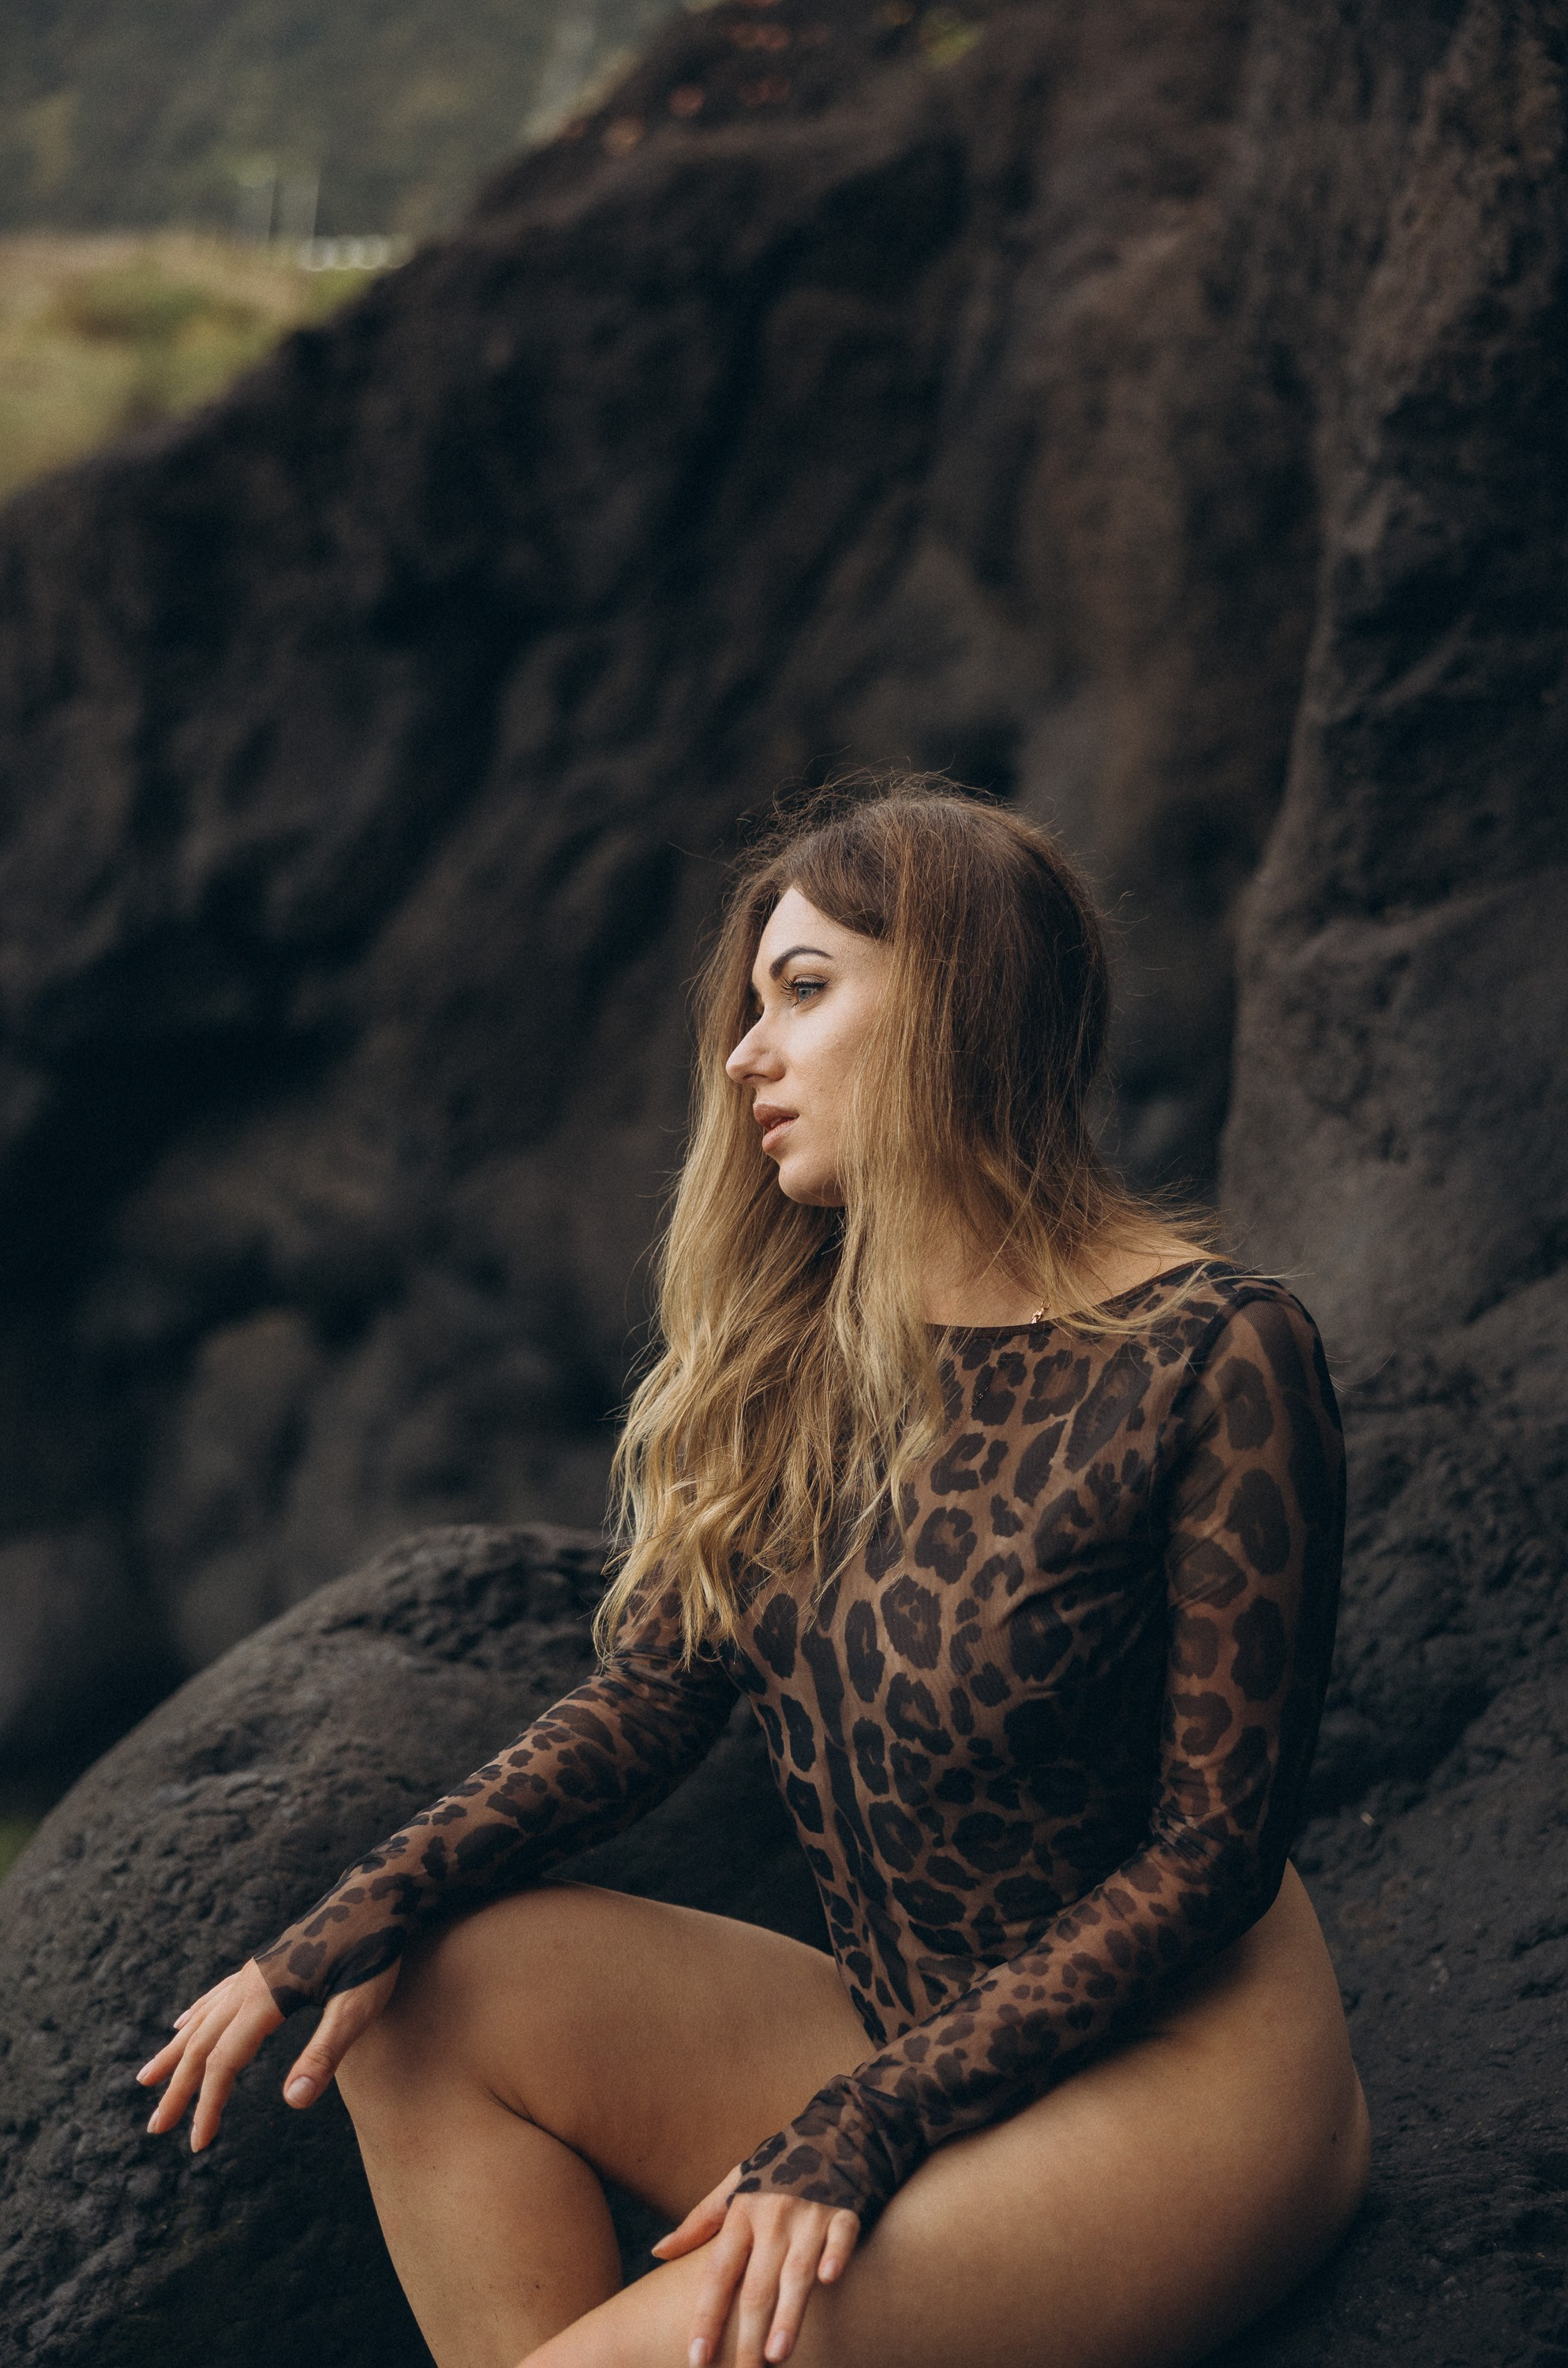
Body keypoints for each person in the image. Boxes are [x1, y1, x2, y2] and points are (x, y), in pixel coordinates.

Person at [138, 781, 1369, 2368]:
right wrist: (353, 1914)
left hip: (1181, 2071)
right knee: (418, 2000)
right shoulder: (810, 1358)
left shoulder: (1214, 1352)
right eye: (748, 1005)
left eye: (801, 992)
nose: (742, 1057)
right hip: (906, 2027)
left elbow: (1211, 1858)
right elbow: (651, 1699)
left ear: (950, 998)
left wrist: (860, 2125)